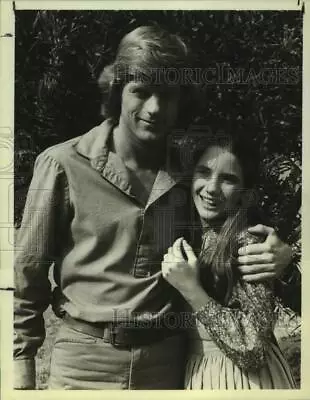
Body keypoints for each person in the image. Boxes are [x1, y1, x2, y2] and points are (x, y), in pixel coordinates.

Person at [14, 25, 293, 390]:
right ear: (118, 93)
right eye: (140, 92)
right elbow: (28, 273)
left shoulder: (191, 171)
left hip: (168, 364)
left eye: (167, 95)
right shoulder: (62, 164)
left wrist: (284, 257)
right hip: (84, 362)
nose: (155, 108)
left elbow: (235, 229)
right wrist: (21, 364)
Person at [161, 133, 296, 389]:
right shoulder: (191, 233)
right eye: (204, 172)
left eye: (228, 179)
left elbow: (252, 347)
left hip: (239, 380)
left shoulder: (248, 243)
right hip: (200, 373)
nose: (211, 188)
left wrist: (192, 289)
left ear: (245, 192)